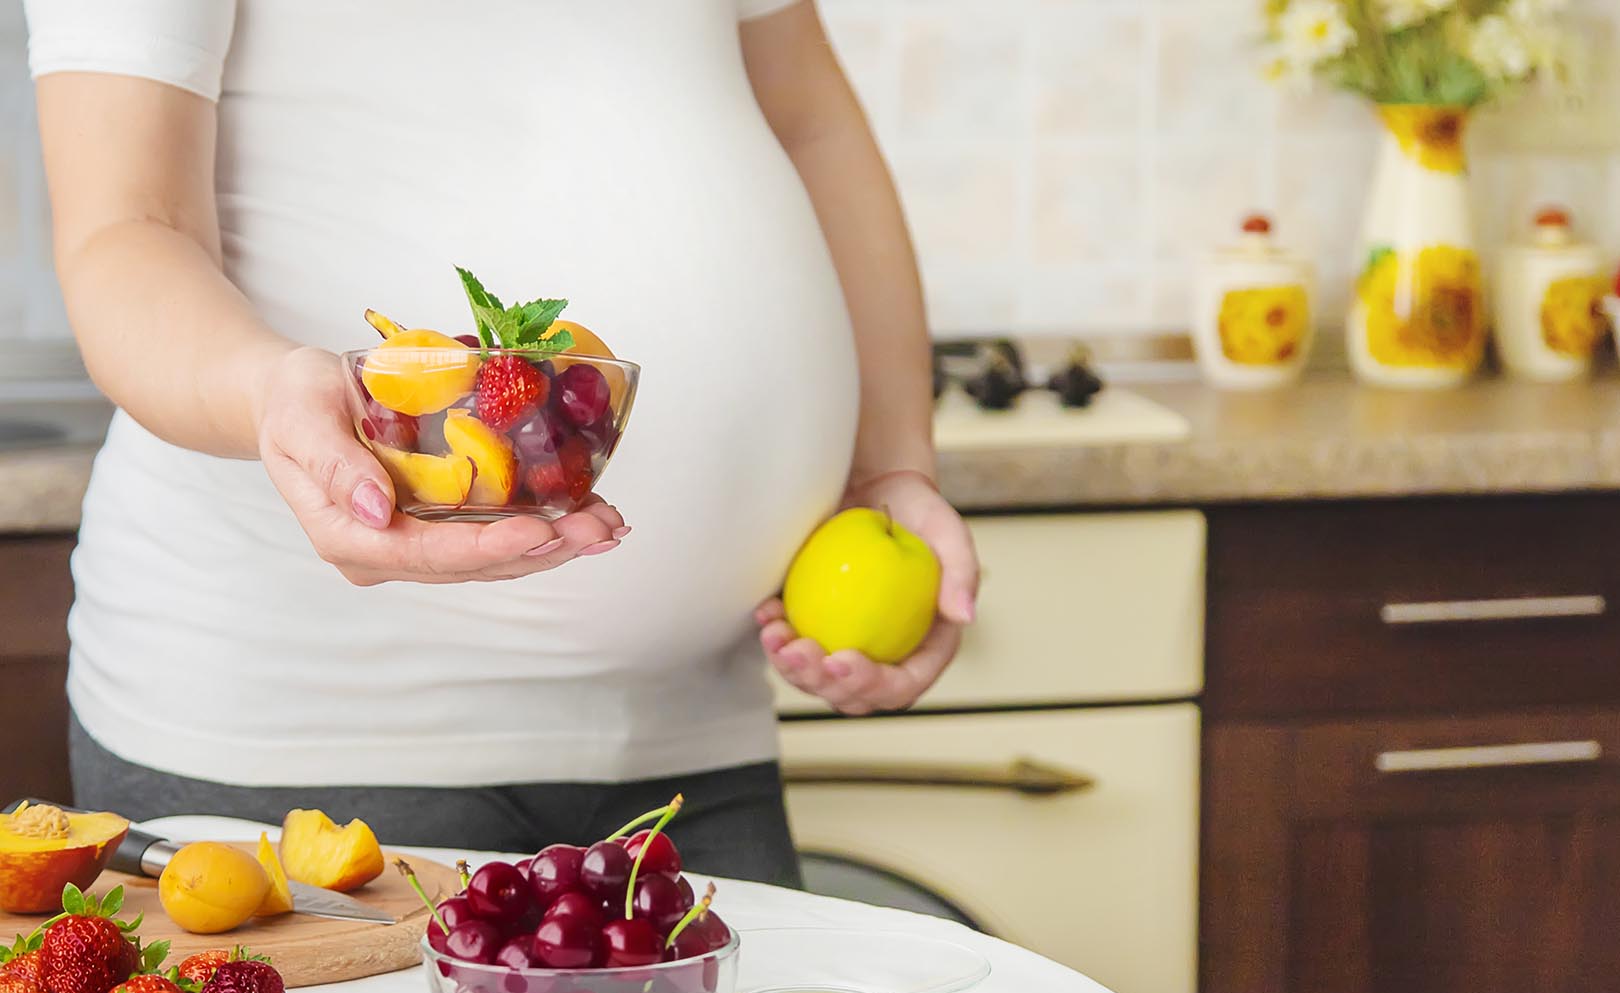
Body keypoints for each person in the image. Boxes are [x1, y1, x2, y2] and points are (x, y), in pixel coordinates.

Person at [22, 0, 978, 887]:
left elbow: (809, 122)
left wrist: (890, 468)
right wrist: (272, 395)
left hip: (693, 736)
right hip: (303, 731)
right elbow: (127, 229)